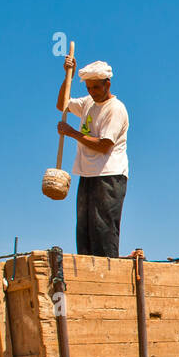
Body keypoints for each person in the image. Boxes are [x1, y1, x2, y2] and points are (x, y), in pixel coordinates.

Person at [56, 53, 130, 257]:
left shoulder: (115, 109)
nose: (92, 92)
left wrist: (72, 133)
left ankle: (107, 277)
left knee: (103, 230)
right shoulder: (88, 103)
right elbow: (62, 104)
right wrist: (68, 77)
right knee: (85, 231)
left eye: (96, 87)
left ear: (107, 84)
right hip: (87, 174)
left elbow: (104, 145)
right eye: (88, 88)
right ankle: (89, 275)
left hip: (109, 176)